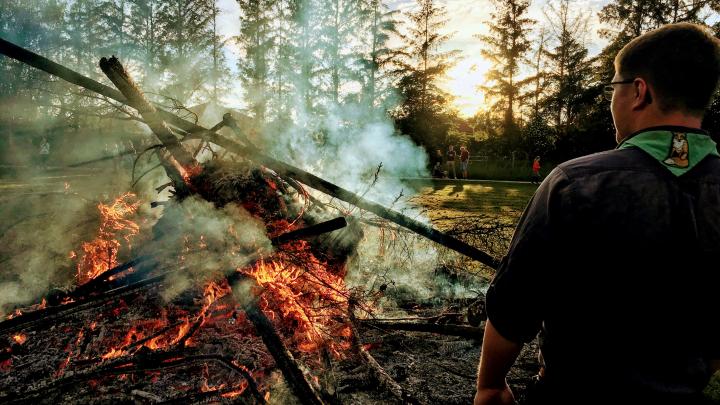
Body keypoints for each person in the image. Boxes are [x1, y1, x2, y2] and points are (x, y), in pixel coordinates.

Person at [475, 23, 720, 405]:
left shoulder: (576, 183)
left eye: (614, 88)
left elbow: (514, 305)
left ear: (639, 91)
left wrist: (489, 386)